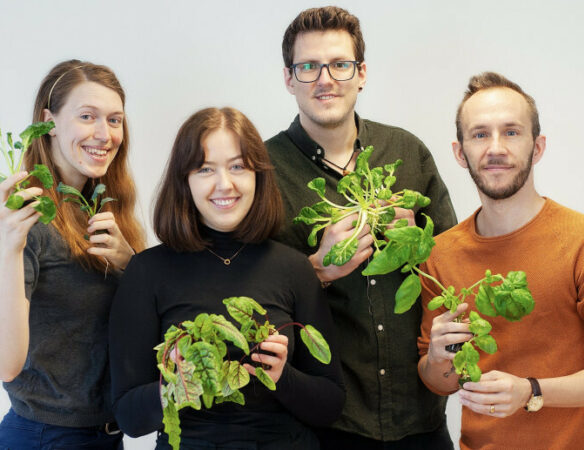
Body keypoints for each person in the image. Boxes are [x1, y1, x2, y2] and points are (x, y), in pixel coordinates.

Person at [265, 6, 457, 449]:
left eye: (339, 64)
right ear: (289, 79)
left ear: (361, 73)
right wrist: (315, 270)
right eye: (308, 66)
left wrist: (419, 243)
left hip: (420, 417)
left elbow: (454, 266)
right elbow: (251, 297)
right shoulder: (262, 169)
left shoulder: (407, 151)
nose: (325, 79)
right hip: (325, 424)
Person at [109, 107, 344, 449]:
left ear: (258, 176)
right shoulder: (147, 271)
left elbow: (330, 404)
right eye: (205, 169)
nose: (225, 184)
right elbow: (129, 418)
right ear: (184, 180)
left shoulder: (294, 268)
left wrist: (282, 376)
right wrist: (175, 381)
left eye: (238, 167)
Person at [417, 72, 584, 449]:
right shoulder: (440, 254)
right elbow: (439, 382)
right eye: (480, 134)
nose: (495, 148)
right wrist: (436, 360)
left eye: (511, 132)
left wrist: (531, 391)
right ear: (460, 152)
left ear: (537, 147)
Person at [0, 60, 145, 448]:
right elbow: (6, 364)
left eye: (115, 120)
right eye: (87, 116)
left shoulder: (103, 212)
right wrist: (8, 249)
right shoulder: (26, 218)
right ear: (48, 122)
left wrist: (131, 264)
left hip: (104, 434)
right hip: (46, 436)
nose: (104, 134)